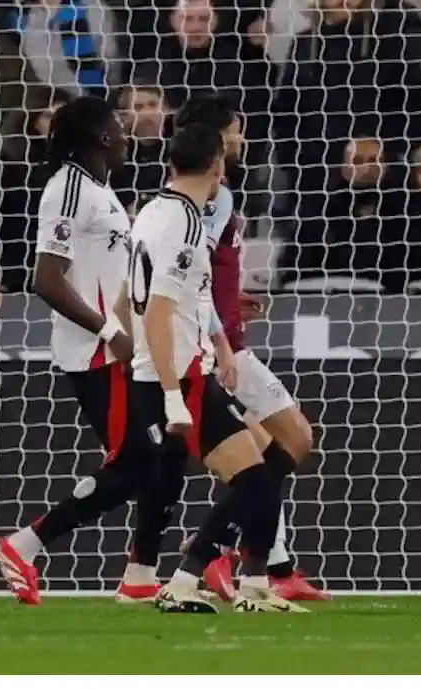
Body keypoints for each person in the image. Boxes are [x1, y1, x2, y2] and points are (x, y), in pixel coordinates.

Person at [117, 123, 299, 613]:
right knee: (256, 475)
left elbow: (124, 303)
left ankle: (251, 585)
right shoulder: (185, 224)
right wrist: (173, 392)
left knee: (262, 463)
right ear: (217, 166)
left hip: (166, 372)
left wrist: (212, 342)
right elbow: (155, 312)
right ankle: (192, 581)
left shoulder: (151, 212)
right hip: (178, 377)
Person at [0, 96, 151, 606]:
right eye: (120, 126)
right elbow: (47, 280)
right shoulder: (68, 190)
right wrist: (111, 334)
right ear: (102, 138)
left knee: (154, 461)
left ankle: (140, 577)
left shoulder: (101, 191)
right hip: (98, 354)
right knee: (139, 464)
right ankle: (24, 544)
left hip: (124, 349)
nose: (127, 134)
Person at [162, 94, 326, 604]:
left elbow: (205, 270)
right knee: (276, 447)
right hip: (214, 347)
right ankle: (225, 557)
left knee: (283, 444)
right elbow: (192, 269)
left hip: (225, 337)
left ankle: (258, 564)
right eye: (236, 130)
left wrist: (233, 300)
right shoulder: (211, 200)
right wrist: (218, 329)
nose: (242, 138)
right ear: (217, 142)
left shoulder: (209, 195)